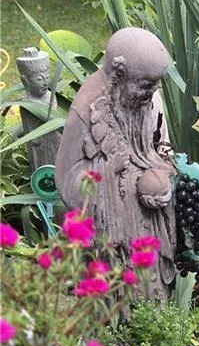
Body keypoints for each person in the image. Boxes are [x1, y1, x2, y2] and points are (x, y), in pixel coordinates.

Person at [55, 28, 176, 299]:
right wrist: (110, 171)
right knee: (119, 295)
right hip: (113, 230)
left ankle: (156, 316)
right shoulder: (86, 111)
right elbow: (66, 180)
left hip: (151, 221)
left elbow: (163, 147)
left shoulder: (150, 99)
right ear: (120, 76)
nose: (152, 92)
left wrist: (165, 179)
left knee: (154, 290)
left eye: (155, 85)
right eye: (146, 85)